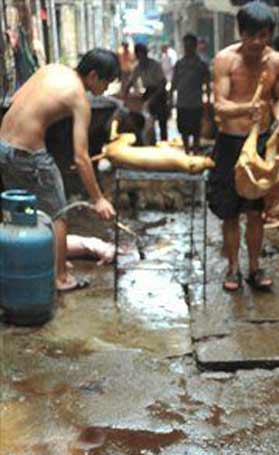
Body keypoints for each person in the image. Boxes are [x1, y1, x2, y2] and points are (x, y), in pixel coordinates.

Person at [0, 48, 118, 291]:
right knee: (57, 213)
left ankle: (38, 263)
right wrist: (98, 199)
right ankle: (60, 277)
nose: (106, 89)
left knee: (25, 212)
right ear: (93, 75)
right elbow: (81, 157)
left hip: (3, 146)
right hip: (28, 154)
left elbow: (15, 99)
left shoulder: (51, 69)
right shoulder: (79, 99)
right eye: (106, 82)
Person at [208, 1, 279, 292]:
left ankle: (254, 267)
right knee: (230, 212)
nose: (256, 41)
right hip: (230, 142)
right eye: (250, 34)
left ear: (270, 34)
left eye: (262, 35)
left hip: (261, 141)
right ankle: (233, 268)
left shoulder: (276, 62)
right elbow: (220, 105)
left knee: (256, 212)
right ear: (240, 32)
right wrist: (247, 109)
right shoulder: (225, 60)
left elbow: (278, 98)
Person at [170, 33, 211, 155]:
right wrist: (170, 99)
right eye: (186, 45)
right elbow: (174, 82)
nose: (188, 48)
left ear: (195, 46)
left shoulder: (201, 65)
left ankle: (196, 151)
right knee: (184, 130)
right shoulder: (179, 64)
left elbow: (207, 84)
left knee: (196, 130)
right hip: (182, 103)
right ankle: (187, 151)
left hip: (196, 103)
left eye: (190, 45)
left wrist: (208, 101)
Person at [124, 44, 168, 142]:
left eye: (142, 55)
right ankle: (150, 140)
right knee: (147, 118)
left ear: (146, 54)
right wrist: (125, 97)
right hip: (148, 91)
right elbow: (131, 81)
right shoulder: (138, 67)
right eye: (138, 56)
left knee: (162, 120)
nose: (140, 58)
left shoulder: (155, 65)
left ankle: (164, 141)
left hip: (159, 92)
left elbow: (162, 83)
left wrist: (154, 98)